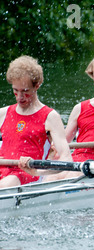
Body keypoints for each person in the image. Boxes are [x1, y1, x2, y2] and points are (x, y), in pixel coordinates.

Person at [0, 55, 72, 188]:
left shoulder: (50, 117)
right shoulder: (3, 113)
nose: (20, 97)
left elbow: (66, 159)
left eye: (25, 91)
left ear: (37, 86)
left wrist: (38, 171)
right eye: (16, 91)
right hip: (2, 171)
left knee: (9, 181)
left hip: (27, 174)